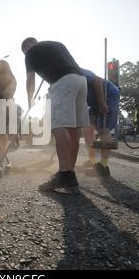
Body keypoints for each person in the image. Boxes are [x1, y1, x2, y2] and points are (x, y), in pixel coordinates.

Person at [21, 37, 89, 191]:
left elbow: (30, 78)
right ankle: (70, 174)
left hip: (62, 82)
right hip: (80, 80)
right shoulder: (56, 45)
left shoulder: (30, 52)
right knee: (75, 128)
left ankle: (64, 173)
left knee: (60, 125)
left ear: (27, 47)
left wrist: (29, 99)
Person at [80, 69, 120, 177]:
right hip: (93, 102)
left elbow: (97, 80)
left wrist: (102, 105)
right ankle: (92, 162)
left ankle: (103, 166)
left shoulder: (77, 71)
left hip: (108, 95)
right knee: (87, 129)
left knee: (103, 129)